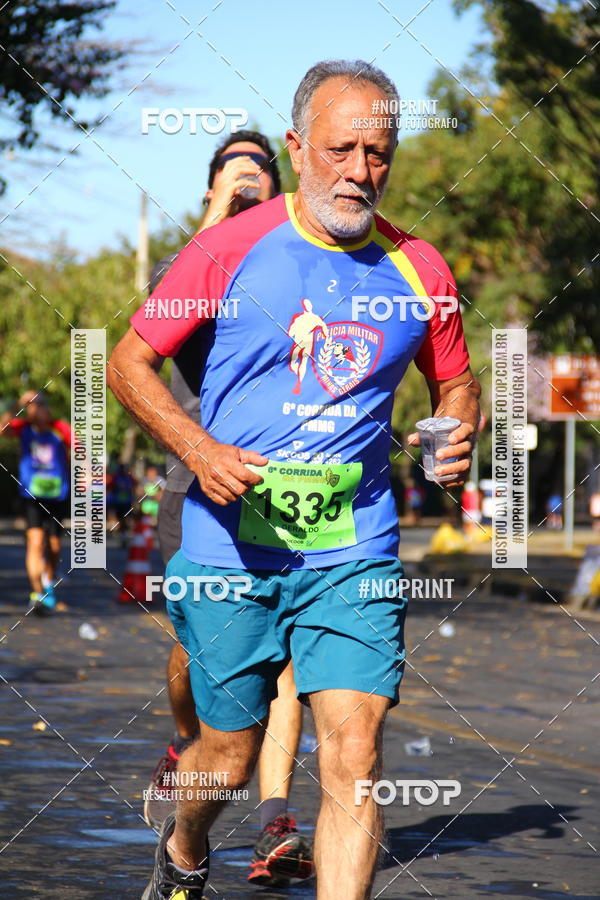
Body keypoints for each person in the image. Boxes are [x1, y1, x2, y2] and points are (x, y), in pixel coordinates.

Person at [108, 59, 480, 900]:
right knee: (229, 755)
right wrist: (198, 449)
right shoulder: (225, 249)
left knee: (352, 750)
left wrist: (455, 433)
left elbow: (454, 381)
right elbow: (129, 364)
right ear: (296, 145)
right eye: (341, 148)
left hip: (352, 545)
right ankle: (184, 845)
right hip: (228, 540)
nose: (360, 171)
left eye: (378, 152)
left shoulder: (421, 268)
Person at [142, 131, 313, 889]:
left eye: (259, 171)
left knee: (284, 663)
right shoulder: (184, 265)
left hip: (285, 492)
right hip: (196, 491)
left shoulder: (299, 267)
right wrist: (221, 214)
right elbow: (158, 328)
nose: (247, 178)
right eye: (229, 170)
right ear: (208, 187)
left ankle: (277, 816)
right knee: (195, 655)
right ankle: (189, 743)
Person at [0, 390, 71, 614]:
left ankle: (49, 581)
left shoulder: (59, 428)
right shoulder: (23, 429)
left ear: (46, 407)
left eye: (38, 404)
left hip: (58, 495)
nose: (35, 408)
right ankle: (37, 593)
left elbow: (80, 447)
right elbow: (3, 429)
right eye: (30, 405)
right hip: (31, 496)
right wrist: (15, 404)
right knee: (35, 542)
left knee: (54, 546)